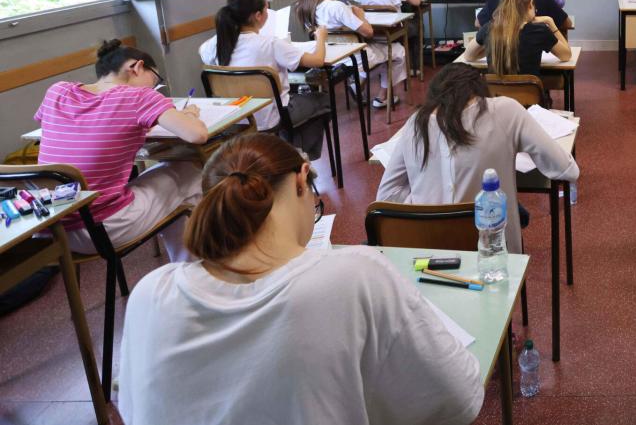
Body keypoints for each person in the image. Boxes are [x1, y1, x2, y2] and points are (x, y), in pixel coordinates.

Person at [118, 133, 483, 425]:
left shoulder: (150, 293)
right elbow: (461, 398)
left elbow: (133, 408)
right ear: (301, 179)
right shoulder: (357, 275)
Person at [35, 41, 208, 262]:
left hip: (52, 228)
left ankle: (187, 270)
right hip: (105, 227)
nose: (152, 89)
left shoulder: (57, 91)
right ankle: (192, 270)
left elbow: (76, 129)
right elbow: (197, 135)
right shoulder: (137, 97)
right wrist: (190, 115)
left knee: (174, 195)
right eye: (154, 80)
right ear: (137, 67)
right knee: (189, 171)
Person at [375, 64, 579, 253]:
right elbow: (567, 169)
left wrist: (428, 205)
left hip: (426, 256)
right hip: (491, 254)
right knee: (515, 210)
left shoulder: (415, 123)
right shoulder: (506, 111)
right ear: (480, 89)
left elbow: (386, 196)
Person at [199, 0, 330, 161]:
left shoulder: (210, 46)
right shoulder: (270, 44)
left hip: (234, 119)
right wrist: (320, 37)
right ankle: (297, 156)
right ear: (258, 15)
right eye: (266, 10)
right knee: (324, 100)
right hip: (271, 117)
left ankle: (288, 152)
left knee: (300, 107)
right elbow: (317, 61)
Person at [297, 0, 406, 109]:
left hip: (331, 57)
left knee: (378, 52)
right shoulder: (337, 7)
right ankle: (382, 97)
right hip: (355, 58)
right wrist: (360, 15)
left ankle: (357, 86)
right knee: (398, 51)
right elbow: (368, 32)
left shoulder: (304, 8)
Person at [476, 0, 571, 82]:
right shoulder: (540, 31)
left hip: (497, 96)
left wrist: (491, 48)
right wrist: (550, 22)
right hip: (529, 97)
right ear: (530, 4)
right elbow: (566, 55)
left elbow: (469, 56)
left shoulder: (489, 28)